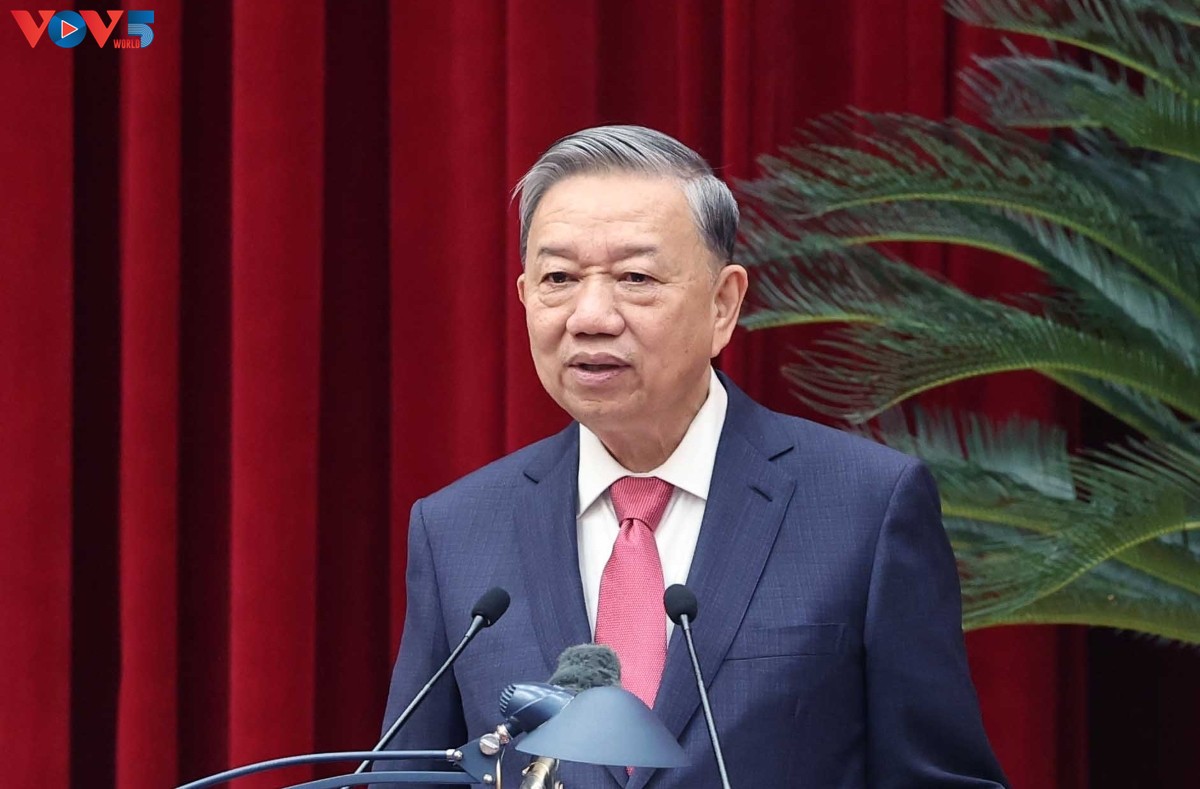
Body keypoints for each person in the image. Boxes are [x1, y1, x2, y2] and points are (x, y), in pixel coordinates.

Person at [373, 125, 1008, 788]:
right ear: (526, 297)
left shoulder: (863, 508)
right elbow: (409, 776)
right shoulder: (458, 531)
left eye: (635, 277)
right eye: (559, 277)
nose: (591, 316)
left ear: (723, 304)